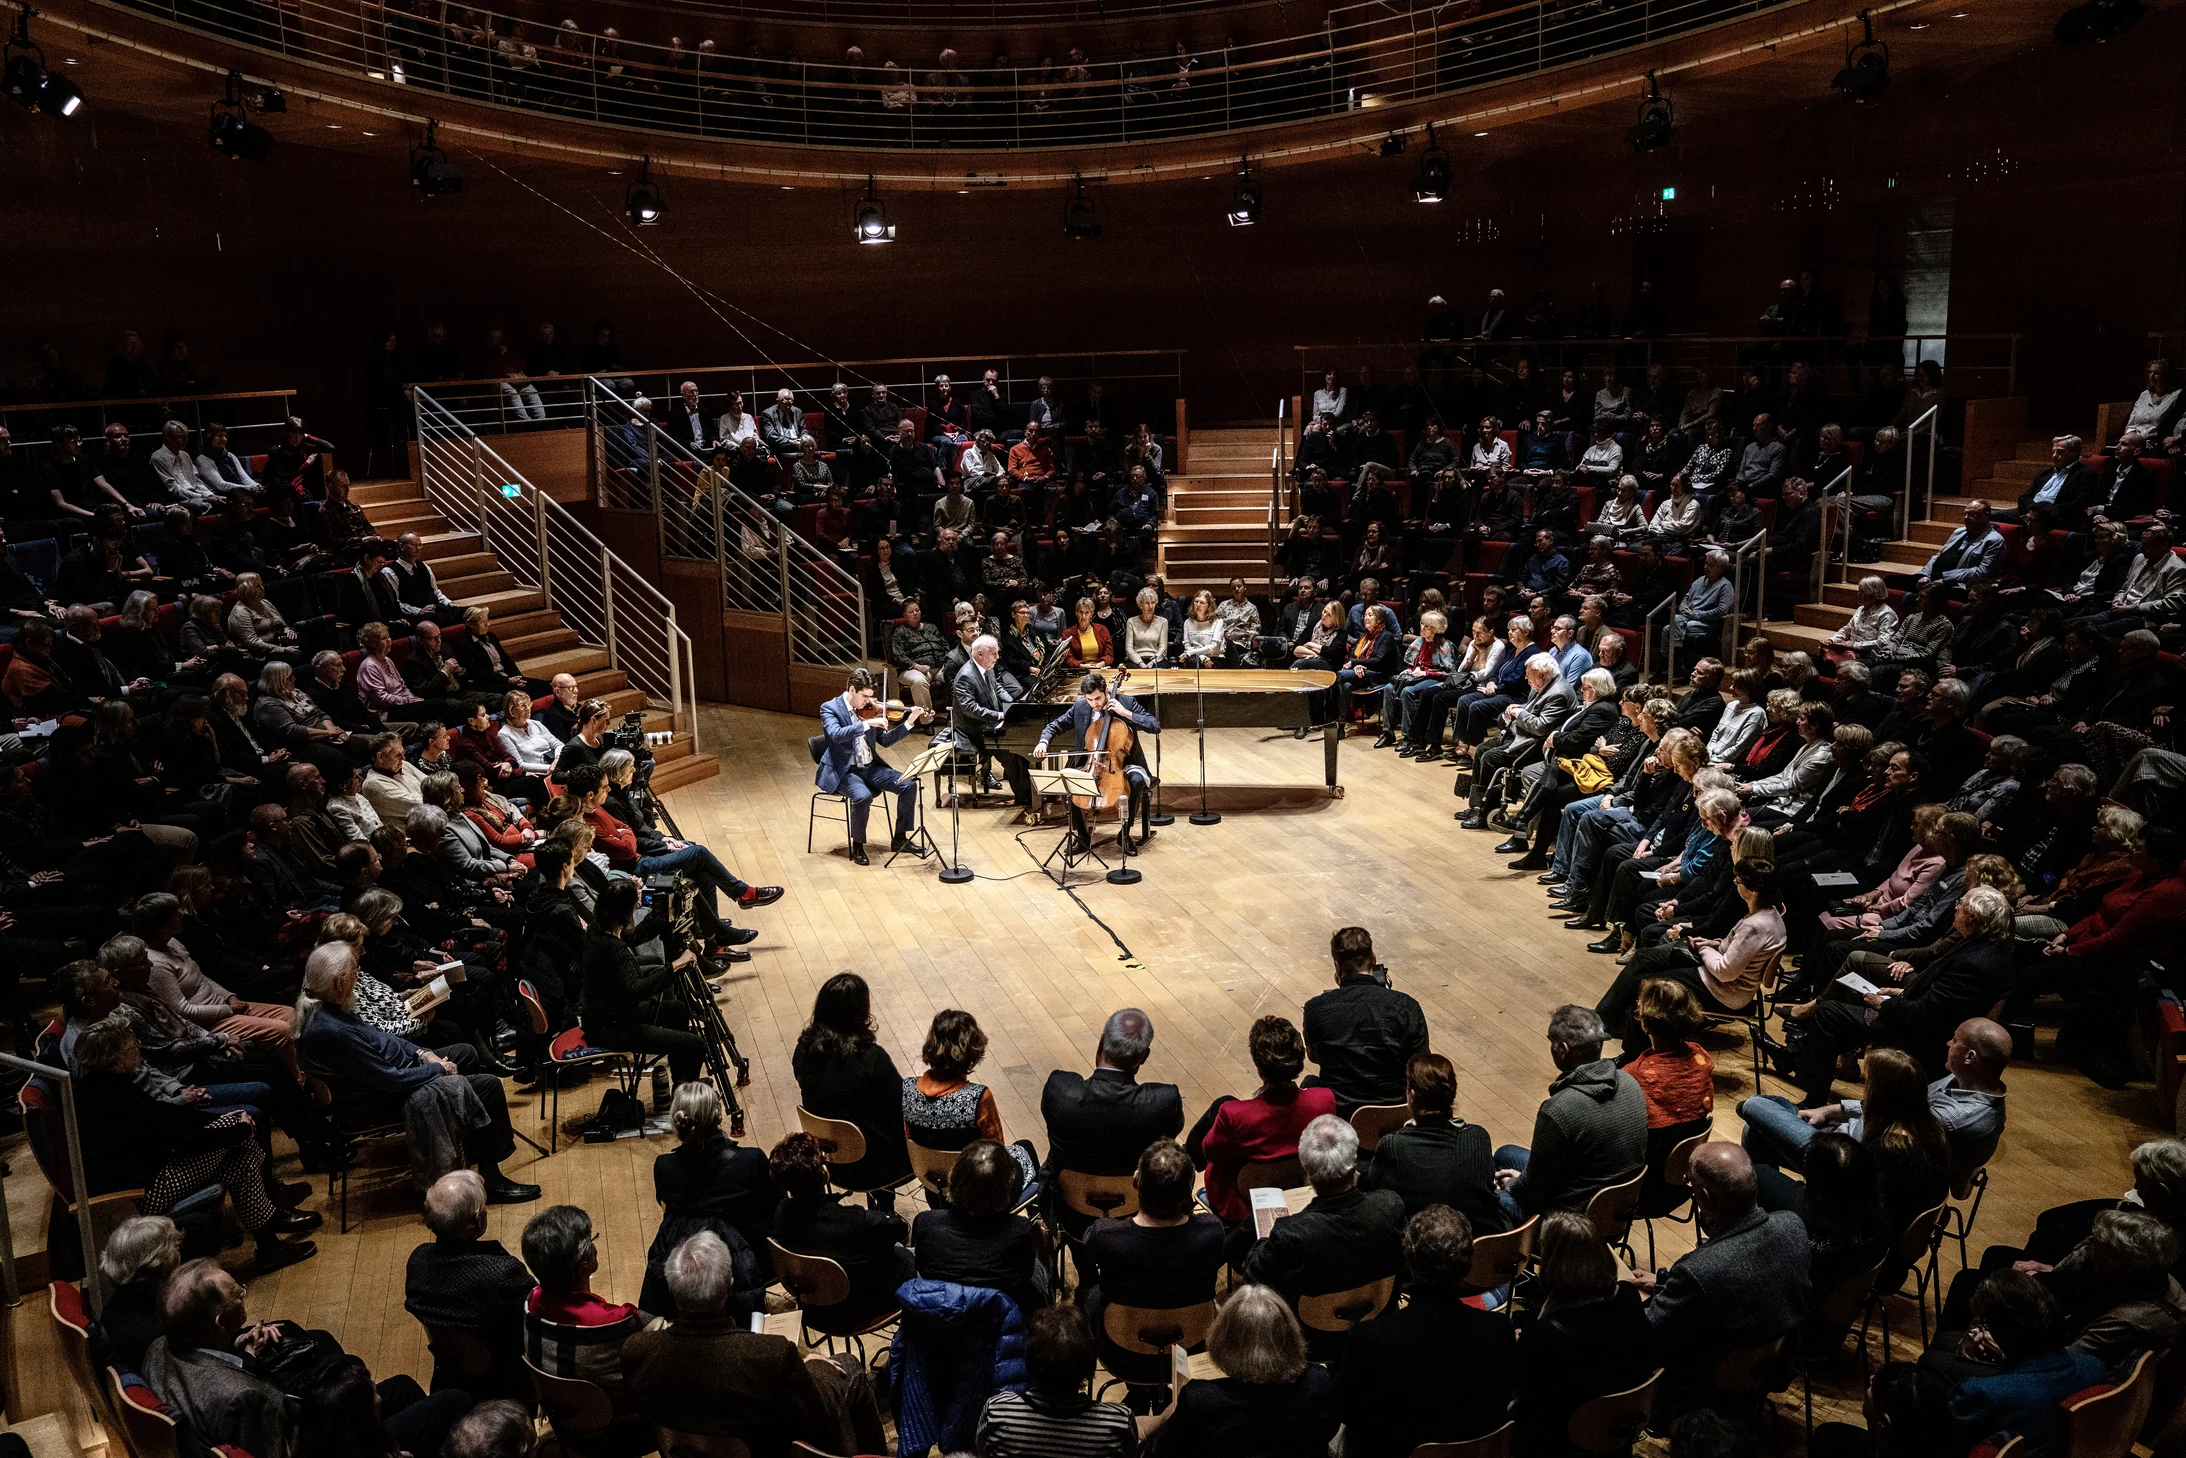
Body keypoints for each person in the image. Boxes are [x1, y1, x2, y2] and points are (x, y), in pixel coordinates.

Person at [294, 942, 540, 1205]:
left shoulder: (327, 1007)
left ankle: (467, 1139)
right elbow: (391, 1080)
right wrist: (438, 1068)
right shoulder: (335, 1030)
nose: (358, 978)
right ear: (340, 982)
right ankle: (492, 1179)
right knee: (488, 1086)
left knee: (466, 1052)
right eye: (354, 973)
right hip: (379, 1101)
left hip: (395, 1074)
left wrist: (423, 1053)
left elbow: (384, 1040)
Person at [73, 1015, 321, 1274]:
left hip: (155, 1171)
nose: (137, 1048)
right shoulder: (111, 1097)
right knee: (241, 1143)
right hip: (141, 1193)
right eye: (132, 1047)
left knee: (239, 1156)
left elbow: (166, 1115)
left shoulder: (106, 1083)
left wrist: (225, 1119)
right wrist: (240, 1128)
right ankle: (270, 1227)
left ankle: (270, 1240)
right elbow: (182, 1139)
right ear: (116, 1060)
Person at [623, 1232, 840, 1458]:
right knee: (849, 1371)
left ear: (671, 1289)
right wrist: (815, 1366)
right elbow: (814, 1420)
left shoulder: (637, 1351)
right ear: (730, 1285)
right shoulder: (771, 1354)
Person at [1636, 1143, 1811, 1409]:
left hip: (1701, 1391)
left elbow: (1648, 1335)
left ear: (1705, 1197)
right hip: (1769, 1371)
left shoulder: (1698, 1271)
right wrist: (1665, 1285)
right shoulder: (1793, 1226)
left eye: (1691, 1186)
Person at [1335, 1206, 1514, 1457]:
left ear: (1409, 1260)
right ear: (1468, 1264)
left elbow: (1346, 1412)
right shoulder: (1499, 1330)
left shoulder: (1369, 1339)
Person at [1239, 1114, 1406, 1356]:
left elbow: (1252, 1277)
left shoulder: (1290, 1234)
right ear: (1355, 1162)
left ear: (1307, 1171)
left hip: (1312, 1342)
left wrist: (1266, 1236)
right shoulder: (1390, 1207)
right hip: (1379, 1328)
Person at [1513, 1211, 1654, 1456]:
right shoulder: (1628, 1296)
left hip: (1557, 1443)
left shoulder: (1543, 1336)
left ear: (1552, 1261)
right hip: (1615, 1435)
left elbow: (1529, 1405)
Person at [1078, 1140, 1226, 1375]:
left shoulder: (1105, 1235)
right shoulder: (1211, 1231)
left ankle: (1137, 1392)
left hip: (1121, 1353)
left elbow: (1087, 1248)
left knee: (1091, 1293)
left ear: (1136, 1182)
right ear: (1188, 1191)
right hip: (1192, 1346)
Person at [1494, 1005, 1648, 1223]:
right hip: (1617, 1209)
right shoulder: (1630, 1082)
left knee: (1487, 1197)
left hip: (1570, 1222)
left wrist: (1513, 1184)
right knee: (1505, 1154)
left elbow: (1532, 1193)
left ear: (1563, 1050)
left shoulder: (1559, 1110)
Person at [1039, 1007, 1184, 1231]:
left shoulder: (1060, 1091)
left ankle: (1084, 1262)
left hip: (1072, 1215)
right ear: (1144, 1056)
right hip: (1137, 1217)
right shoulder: (1163, 1103)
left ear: (1101, 1043)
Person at [1154, 1284, 1337, 1458]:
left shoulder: (1199, 1400)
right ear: (1290, 1336)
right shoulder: (1321, 1381)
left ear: (1222, 1340)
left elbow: (1166, 1452)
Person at [143, 1259, 302, 1458]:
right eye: (239, 1295)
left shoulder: (156, 1348)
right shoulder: (241, 1398)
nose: (244, 1294)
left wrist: (241, 1347)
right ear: (221, 1322)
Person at [403, 1170, 535, 1403]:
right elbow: (537, 1310)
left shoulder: (418, 1260)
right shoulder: (501, 1273)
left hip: (449, 1376)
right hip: (505, 1381)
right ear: (477, 1219)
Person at [1942, 1271, 2106, 1454]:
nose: (1980, 1331)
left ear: (2006, 1334)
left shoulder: (1982, 1394)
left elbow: (1941, 1437)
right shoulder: (2094, 1366)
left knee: (1935, 1363)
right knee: (1945, 1341)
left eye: (1986, 1325)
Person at [1194, 1016, 1337, 1223]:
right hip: (1303, 1191)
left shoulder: (1233, 1113)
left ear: (1259, 1065)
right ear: (1299, 1059)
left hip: (1244, 1207)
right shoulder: (1324, 1100)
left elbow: (1211, 1152)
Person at [791, 973, 912, 1198]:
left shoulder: (803, 1051)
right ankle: (884, 1206)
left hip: (828, 1156)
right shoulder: (873, 1059)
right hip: (878, 1165)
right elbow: (902, 1105)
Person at [977, 1305, 1153, 1458]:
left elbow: (983, 1451)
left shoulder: (998, 1411)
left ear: (1029, 1360)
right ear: (1090, 1365)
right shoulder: (1118, 1423)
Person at [1360, 1052, 1504, 1232]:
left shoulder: (1393, 1146)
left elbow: (1375, 1192)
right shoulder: (1479, 1137)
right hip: (1478, 1250)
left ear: (1411, 1095)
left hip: (1422, 1249)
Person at [913, 1139, 1048, 1314]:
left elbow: (923, 1270)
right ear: (1008, 1192)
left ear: (952, 1179)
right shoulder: (1019, 1231)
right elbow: (1024, 1276)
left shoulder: (926, 1223)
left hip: (943, 1316)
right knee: (1041, 1272)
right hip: (1000, 1317)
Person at [817, 666, 927, 865]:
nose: (869, 701)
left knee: (908, 785)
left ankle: (900, 838)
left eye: (870, 696)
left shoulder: (869, 711)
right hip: (845, 771)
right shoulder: (830, 708)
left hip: (870, 767)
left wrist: (909, 722)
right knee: (863, 796)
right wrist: (868, 724)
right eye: (865, 696)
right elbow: (836, 735)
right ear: (852, 690)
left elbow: (884, 741)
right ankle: (858, 845)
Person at [95, 1216, 183, 1375]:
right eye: (175, 1247)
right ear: (161, 1264)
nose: (178, 1253)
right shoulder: (154, 1335)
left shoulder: (117, 1305)